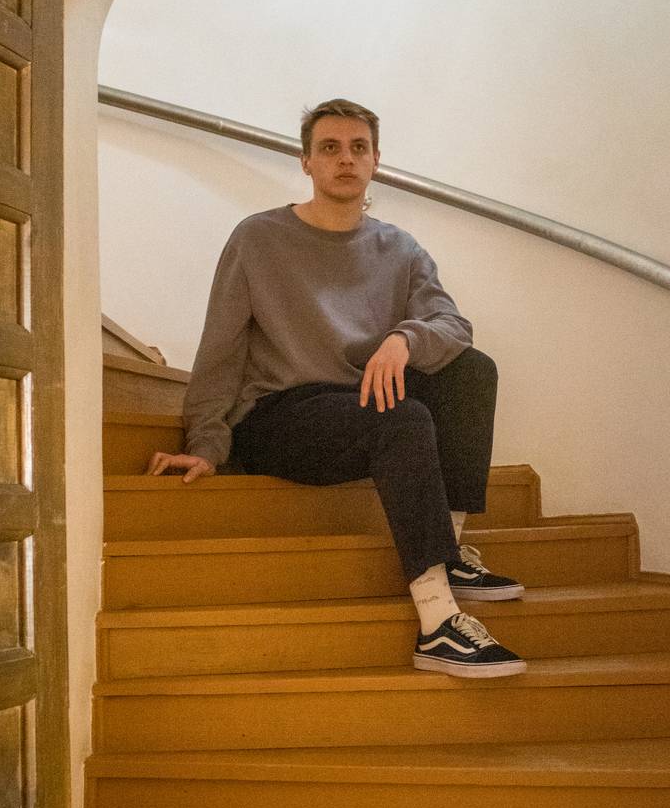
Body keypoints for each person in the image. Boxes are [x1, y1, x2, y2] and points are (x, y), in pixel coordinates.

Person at [147, 97, 526, 678]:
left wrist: (403, 339)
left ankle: (448, 552)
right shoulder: (258, 238)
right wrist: (206, 443)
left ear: (375, 160)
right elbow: (221, 349)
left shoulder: (399, 248)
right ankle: (438, 624)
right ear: (306, 161)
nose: (345, 159)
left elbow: (452, 325)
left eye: (357, 148)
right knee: (403, 417)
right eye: (329, 148)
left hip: (359, 404)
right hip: (281, 414)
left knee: (472, 370)